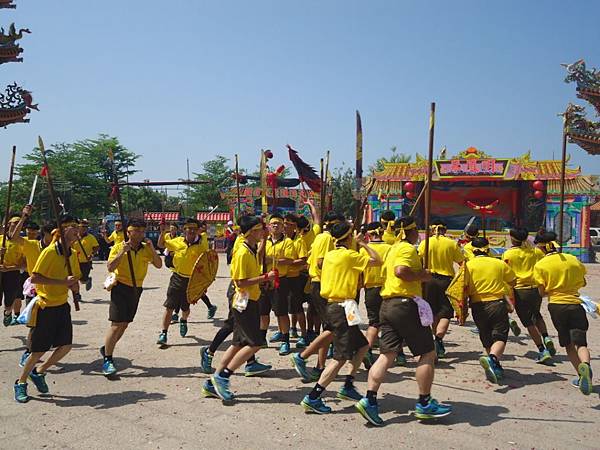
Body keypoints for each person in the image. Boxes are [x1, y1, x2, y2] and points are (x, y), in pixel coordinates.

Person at [355, 216, 451, 426]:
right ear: (412, 231)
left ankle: (370, 399)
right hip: (405, 304)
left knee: (386, 354)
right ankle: (425, 402)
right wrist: (422, 276)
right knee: (427, 352)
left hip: (388, 305)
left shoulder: (391, 250)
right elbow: (401, 272)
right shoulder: (406, 249)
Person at [300, 221, 382, 414]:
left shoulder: (330, 255)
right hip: (342, 308)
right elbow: (377, 260)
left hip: (337, 306)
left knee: (362, 345)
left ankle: (348, 385)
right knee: (340, 358)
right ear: (348, 237)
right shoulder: (350, 255)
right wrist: (363, 244)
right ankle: (314, 396)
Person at [13, 216, 81, 403]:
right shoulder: (49, 252)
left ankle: (39, 372)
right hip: (45, 306)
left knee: (66, 346)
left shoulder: (73, 253)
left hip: (62, 305)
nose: (77, 230)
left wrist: (74, 286)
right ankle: (21, 382)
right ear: (60, 231)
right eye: (72, 227)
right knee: (37, 351)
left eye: (77, 227)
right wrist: (62, 282)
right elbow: (35, 278)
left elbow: (74, 277)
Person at [210, 215, 276, 402]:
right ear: (252, 232)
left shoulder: (252, 249)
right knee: (255, 343)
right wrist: (265, 278)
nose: (263, 231)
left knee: (238, 344)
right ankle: (223, 376)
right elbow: (240, 282)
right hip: (244, 303)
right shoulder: (242, 252)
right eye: (260, 229)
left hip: (250, 300)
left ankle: (213, 381)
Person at [533, 232, 592, 395]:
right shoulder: (572, 259)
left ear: (542, 247)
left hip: (557, 306)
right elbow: (583, 282)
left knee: (568, 344)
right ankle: (586, 365)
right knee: (581, 342)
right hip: (576, 303)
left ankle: (581, 376)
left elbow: (541, 292)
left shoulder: (541, 265)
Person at [101, 219, 162, 376]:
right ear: (128, 232)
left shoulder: (145, 248)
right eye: (137, 231)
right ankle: (108, 359)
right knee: (116, 324)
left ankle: (108, 346)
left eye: (142, 231)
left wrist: (152, 249)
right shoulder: (118, 247)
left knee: (125, 324)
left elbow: (158, 264)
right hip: (120, 287)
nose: (140, 234)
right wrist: (123, 252)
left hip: (137, 289)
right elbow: (110, 266)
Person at [290, 212, 343, 382]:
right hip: (322, 283)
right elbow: (321, 262)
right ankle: (304, 357)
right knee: (331, 328)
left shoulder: (320, 237)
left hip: (318, 283)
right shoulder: (327, 239)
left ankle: (320, 366)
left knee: (330, 328)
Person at [466, 237, 516, 384]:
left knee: (486, 335)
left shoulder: (467, 266)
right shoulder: (498, 263)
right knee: (500, 336)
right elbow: (513, 281)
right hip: (497, 303)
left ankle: (496, 366)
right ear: (488, 248)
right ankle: (493, 359)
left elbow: (462, 287)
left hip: (477, 305)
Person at [503, 228, 555, 364]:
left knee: (528, 322)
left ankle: (542, 350)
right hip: (535, 289)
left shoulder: (508, 254)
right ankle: (546, 337)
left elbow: (505, 272)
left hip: (520, 290)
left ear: (512, 238)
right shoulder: (536, 252)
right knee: (537, 314)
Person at [418, 220, 464, 358]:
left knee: (431, 312)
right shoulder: (451, 243)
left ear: (432, 229)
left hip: (429, 280)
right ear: (445, 230)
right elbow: (462, 263)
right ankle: (438, 340)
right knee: (445, 313)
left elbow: (419, 260)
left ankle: (435, 340)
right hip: (446, 281)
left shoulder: (425, 243)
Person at [156, 218, 206, 346]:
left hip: (192, 281)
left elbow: (207, 265)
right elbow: (161, 245)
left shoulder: (202, 245)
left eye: (194, 229)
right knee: (169, 306)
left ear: (197, 231)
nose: (191, 231)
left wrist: (203, 285)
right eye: (188, 229)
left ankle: (183, 320)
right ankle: (164, 333)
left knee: (186, 308)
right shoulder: (177, 242)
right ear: (184, 230)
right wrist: (162, 232)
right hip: (177, 278)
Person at [261, 213, 297, 355]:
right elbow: (259, 257)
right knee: (262, 312)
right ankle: (262, 337)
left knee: (281, 312)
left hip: (280, 280)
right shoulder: (264, 241)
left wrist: (271, 260)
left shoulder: (288, 242)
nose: (275, 225)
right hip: (264, 280)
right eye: (273, 223)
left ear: (283, 227)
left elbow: (289, 260)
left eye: (278, 223)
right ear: (269, 226)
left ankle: (285, 340)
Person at [359, 222, 392, 365]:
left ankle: (367, 349)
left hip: (370, 289)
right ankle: (397, 353)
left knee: (374, 322)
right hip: (387, 288)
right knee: (391, 323)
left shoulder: (363, 250)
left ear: (368, 234)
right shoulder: (390, 248)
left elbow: (360, 273)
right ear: (382, 233)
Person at [0, 213, 26, 326]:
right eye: (14, 223)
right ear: (8, 224)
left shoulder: (22, 242)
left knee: (9, 301)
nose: (16, 225)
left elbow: (23, 265)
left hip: (13, 274)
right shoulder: (0, 239)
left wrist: (9, 268)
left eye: (18, 223)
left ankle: (8, 312)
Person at [75, 219, 99, 292]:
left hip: (86, 261)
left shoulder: (91, 237)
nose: (84, 229)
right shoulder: (74, 237)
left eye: (85, 227)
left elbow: (96, 247)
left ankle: (87, 280)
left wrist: (91, 255)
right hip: (75, 261)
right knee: (75, 278)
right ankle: (77, 294)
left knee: (83, 280)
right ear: (78, 227)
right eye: (82, 227)